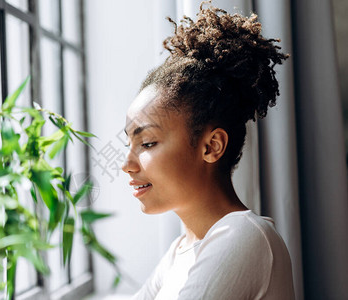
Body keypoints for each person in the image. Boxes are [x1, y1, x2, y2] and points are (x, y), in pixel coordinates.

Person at [121, 4, 295, 300]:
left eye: (147, 143)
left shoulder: (242, 237)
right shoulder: (181, 252)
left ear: (211, 147)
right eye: (129, 144)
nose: (127, 165)